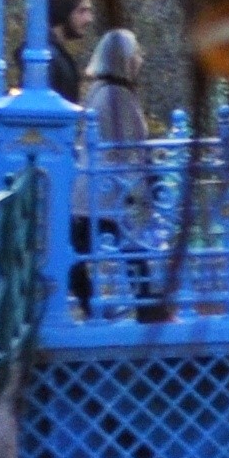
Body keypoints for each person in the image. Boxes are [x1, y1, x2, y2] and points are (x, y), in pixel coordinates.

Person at [73, 24, 161, 320]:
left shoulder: (101, 89)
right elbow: (134, 146)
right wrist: (151, 183)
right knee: (129, 248)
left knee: (82, 247)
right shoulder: (117, 94)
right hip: (109, 190)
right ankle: (146, 312)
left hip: (98, 188)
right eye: (135, 53)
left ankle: (97, 307)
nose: (141, 59)